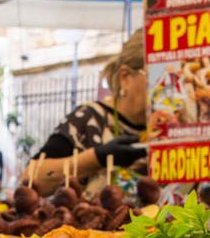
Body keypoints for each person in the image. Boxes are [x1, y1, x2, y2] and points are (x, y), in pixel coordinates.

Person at [24, 31, 147, 196]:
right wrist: (98, 157)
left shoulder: (173, 126)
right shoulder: (90, 119)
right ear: (125, 78)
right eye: (156, 75)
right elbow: (29, 178)